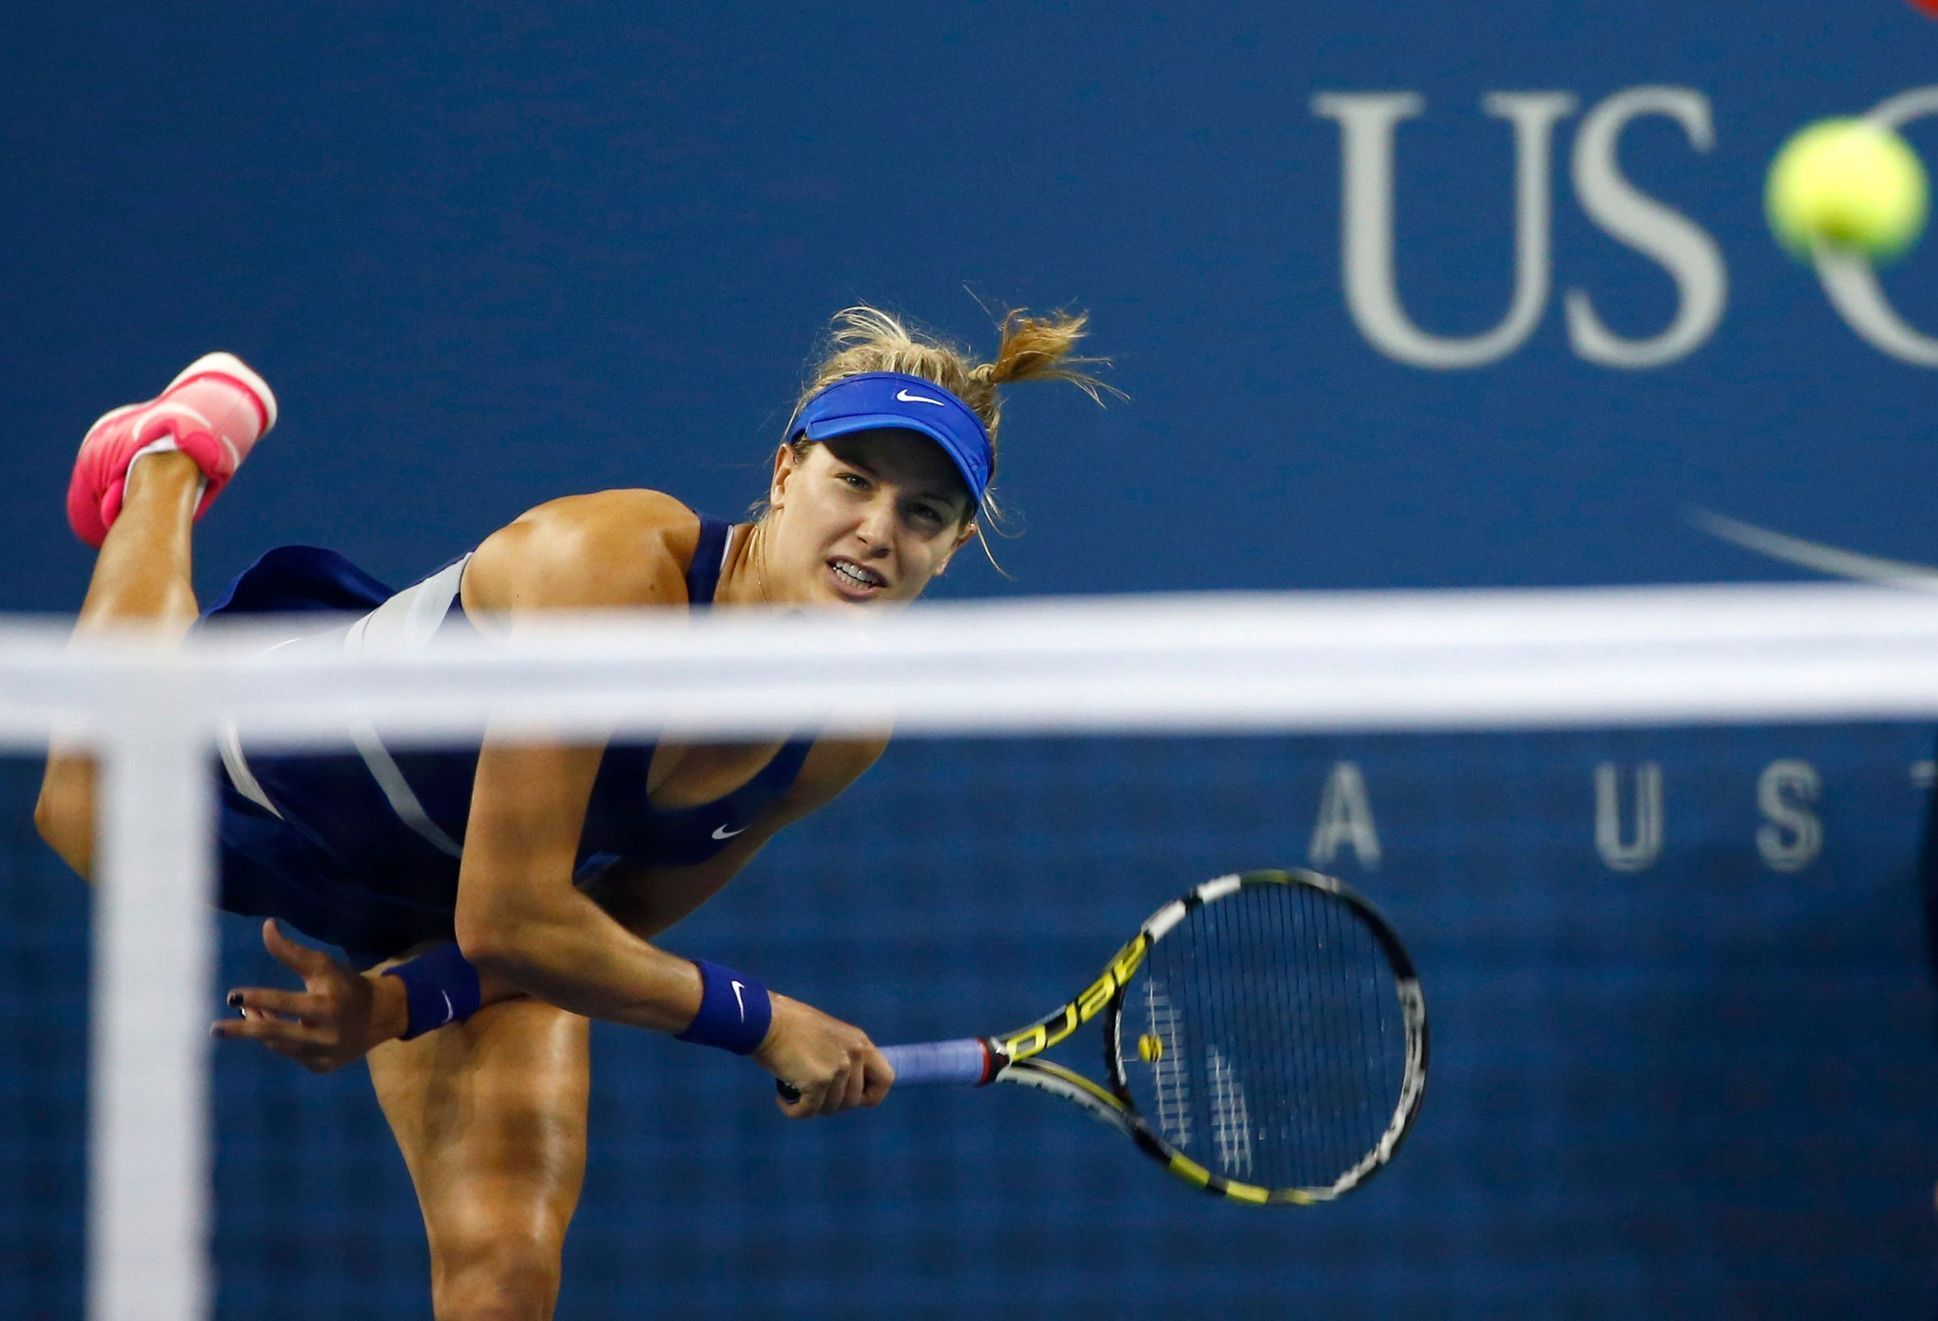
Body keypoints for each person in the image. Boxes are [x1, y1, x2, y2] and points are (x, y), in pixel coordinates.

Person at [33, 306, 1107, 1320]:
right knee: (81, 796)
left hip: (454, 911)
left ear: (954, 547)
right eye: (852, 481)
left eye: (922, 513)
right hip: (284, 773)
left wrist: (399, 1006)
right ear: (785, 474)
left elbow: (604, 931)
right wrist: (770, 1023)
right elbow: (515, 919)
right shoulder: (609, 563)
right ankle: (167, 464)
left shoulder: (839, 732)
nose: (876, 531)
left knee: (505, 1269)